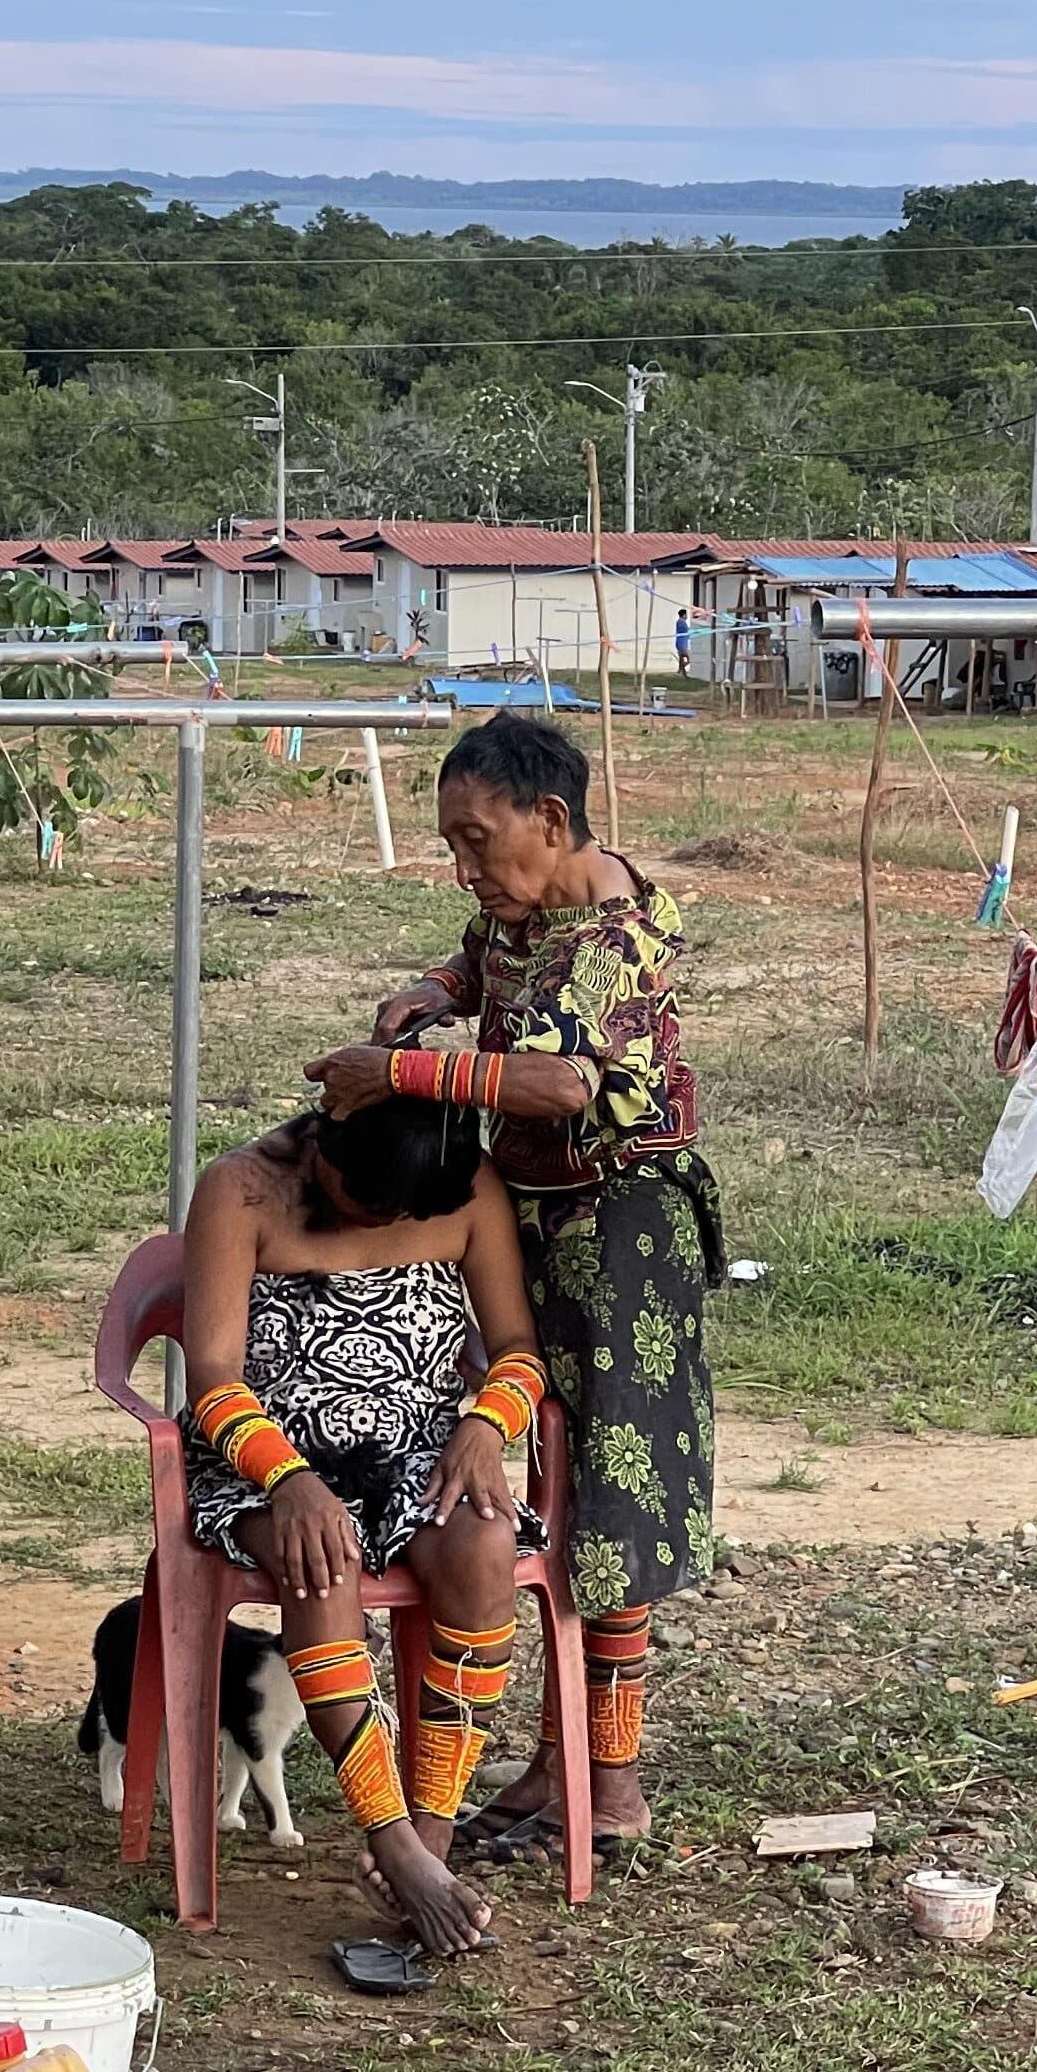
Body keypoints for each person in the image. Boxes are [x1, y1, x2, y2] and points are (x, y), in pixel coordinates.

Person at [308, 712, 715, 1868]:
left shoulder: (617, 939)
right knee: (540, 1461)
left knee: (610, 1484)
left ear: (552, 819)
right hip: (538, 1209)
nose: (466, 867)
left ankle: (610, 1775)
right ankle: (556, 1759)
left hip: (621, 1224)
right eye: (453, 845)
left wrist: (399, 1069)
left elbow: (553, 1082)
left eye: (479, 841)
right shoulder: (521, 913)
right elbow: (478, 965)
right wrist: (426, 992)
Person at [174, 1092, 546, 1957]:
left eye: (397, 1215)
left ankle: (432, 1836)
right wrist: (293, 1481)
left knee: (485, 1541)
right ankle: (388, 1834)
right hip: (267, 1460)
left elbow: (518, 1346)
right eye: (358, 1203)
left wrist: (487, 1424)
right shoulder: (240, 1190)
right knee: (324, 1559)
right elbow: (215, 1376)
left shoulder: (466, 1186)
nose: (376, 1222)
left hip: (420, 1451)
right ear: (322, 1149)